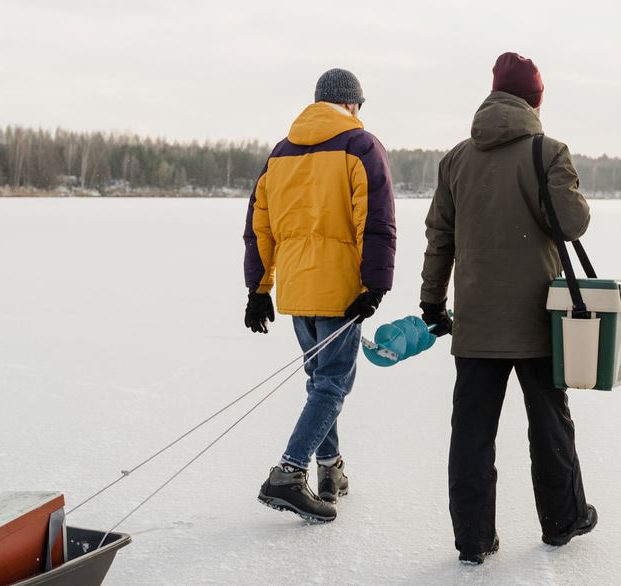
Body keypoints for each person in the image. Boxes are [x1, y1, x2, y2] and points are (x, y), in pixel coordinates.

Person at [419, 52, 597, 564]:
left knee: (471, 434)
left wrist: (433, 301)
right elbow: (573, 223)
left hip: (475, 324)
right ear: (534, 100)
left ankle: (474, 539)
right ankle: (563, 521)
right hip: (539, 319)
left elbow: (440, 238)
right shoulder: (548, 151)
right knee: (550, 423)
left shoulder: (456, 158)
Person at [243, 68, 396, 523]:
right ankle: (289, 474)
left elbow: (259, 227)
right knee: (332, 384)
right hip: (340, 292)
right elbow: (377, 221)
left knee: (319, 383)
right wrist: (374, 287)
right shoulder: (360, 147)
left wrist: (258, 289)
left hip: (296, 290)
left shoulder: (281, 153)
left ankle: (331, 471)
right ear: (350, 104)